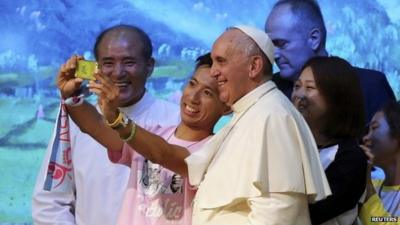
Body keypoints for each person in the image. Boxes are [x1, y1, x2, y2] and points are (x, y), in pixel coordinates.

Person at [86, 25, 331, 224]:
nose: (213, 72)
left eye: (220, 62)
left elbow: (279, 212)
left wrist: (115, 117)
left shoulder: (273, 116)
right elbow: (177, 160)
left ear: (254, 66)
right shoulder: (248, 115)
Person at [57, 52, 230, 224]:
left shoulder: (214, 153)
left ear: (227, 107)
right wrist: (70, 96)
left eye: (208, 93)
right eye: (192, 84)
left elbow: (163, 154)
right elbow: (95, 126)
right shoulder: (151, 134)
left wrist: (116, 117)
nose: (193, 97)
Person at [32, 25, 180, 225]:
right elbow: (49, 200)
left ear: (150, 66)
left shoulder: (176, 121)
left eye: (129, 62)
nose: (118, 73)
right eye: (108, 63)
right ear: (96, 68)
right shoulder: (75, 120)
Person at [265, 0, 396, 123]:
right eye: (271, 45)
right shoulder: (269, 91)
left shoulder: (369, 86)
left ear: (314, 38)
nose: (274, 54)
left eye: (281, 44)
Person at [292, 56, 368, 224]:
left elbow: (311, 213)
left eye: (310, 87)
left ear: (337, 98)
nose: (299, 94)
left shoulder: (351, 158)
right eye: (297, 86)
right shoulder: (290, 142)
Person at [359, 101, 400, 224]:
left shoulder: (369, 185)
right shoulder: (374, 182)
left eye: (374, 128)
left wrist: (368, 191)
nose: (366, 138)